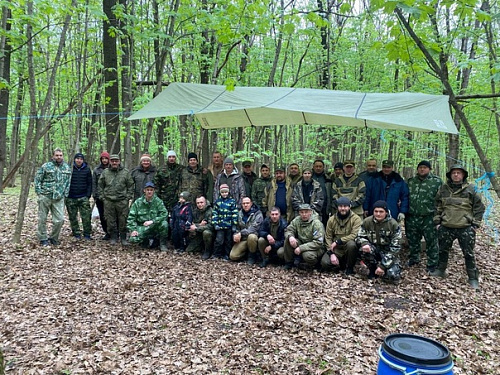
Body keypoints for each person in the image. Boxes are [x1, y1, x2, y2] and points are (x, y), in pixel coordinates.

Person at [430, 164, 485, 289]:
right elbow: (437, 205)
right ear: (450, 175)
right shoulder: (443, 189)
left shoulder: (471, 189)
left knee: (468, 253)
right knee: (443, 250)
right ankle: (441, 270)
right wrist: (437, 222)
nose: (456, 175)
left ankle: (473, 277)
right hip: (446, 226)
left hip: (465, 227)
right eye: (453, 172)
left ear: (463, 175)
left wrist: (475, 224)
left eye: (458, 173)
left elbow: (479, 207)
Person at [406, 161, 443, 272]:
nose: (422, 169)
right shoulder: (411, 181)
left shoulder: (436, 182)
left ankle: (432, 263)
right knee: (412, 239)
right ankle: (414, 258)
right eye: (420, 167)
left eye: (425, 167)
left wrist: (439, 216)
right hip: (412, 216)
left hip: (429, 216)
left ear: (429, 169)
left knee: (431, 240)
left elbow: (442, 200)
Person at [357, 200, 402, 283]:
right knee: (364, 250)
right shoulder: (367, 221)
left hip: (388, 252)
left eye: (381, 212)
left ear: (386, 212)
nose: (378, 214)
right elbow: (360, 236)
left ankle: (381, 270)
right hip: (374, 250)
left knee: (392, 276)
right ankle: (372, 269)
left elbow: (395, 248)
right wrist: (364, 243)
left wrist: (383, 266)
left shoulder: (393, 224)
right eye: (376, 211)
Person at [34, 147, 72, 246]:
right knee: (42, 218)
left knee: (60, 220)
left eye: (60, 155)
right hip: (45, 195)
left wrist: (65, 194)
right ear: (53, 156)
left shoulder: (66, 168)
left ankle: (54, 237)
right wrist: (39, 193)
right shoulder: (46, 166)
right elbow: (37, 179)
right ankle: (43, 238)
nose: (59, 157)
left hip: (59, 197)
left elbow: (68, 182)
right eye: (57, 155)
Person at [98, 154, 134, 246]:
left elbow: (130, 185)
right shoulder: (105, 172)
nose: (114, 162)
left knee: (123, 220)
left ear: (119, 161)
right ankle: (113, 237)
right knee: (110, 220)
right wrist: (102, 197)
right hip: (109, 200)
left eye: (116, 161)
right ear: (110, 161)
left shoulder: (125, 172)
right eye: (112, 161)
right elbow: (100, 185)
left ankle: (123, 238)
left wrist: (128, 197)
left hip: (122, 201)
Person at [320, 197, 362, 274]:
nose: (343, 208)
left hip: (348, 249)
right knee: (325, 263)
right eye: (340, 206)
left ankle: (350, 268)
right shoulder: (331, 219)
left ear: (349, 207)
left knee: (351, 244)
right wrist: (331, 253)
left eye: (345, 206)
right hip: (336, 249)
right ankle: (340, 265)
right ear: (337, 207)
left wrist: (338, 241)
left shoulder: (356, 219)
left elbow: (354, 235)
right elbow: (328, 237)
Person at [127, 181, 169, 251]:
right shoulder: (138, 202)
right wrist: (133, 229)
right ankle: (145, 241)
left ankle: (162, 244)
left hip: (155, 225)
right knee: (133, 239)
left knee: (164, 224)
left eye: (151, 190)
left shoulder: (158, 201)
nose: (149, 192)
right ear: (144, 190)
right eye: (148, 190)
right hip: (143, 227)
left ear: (154, 191)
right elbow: (131, 218)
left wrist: (153, 221)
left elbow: (164, 214)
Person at [283, 203, 325, 270]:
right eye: (302, 212)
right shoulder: (297, 220)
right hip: (302, 242)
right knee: (288, 240)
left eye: (306, 212)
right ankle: (289, 263)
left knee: (307, 255)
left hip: (315, 247)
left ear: (310, 212)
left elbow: (318, 242)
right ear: (299, 213)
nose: (304, 214)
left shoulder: (316, 223)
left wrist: (301, 248)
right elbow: (288, 229)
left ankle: (315, 265)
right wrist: (291, 236)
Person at [65, 152, 93, 240]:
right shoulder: (69, 169)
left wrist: (88, 195)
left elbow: (90, 183)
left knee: (86, 217)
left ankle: (87, 233)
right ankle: (76, 233)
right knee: (72, 217)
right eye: (77, 158)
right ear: (74, 159)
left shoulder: (87, 169)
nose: (79, 160)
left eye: (81, 159)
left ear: (83, 160)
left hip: (83, 196)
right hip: (71, 196)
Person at [230, 197, 263, 264]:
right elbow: (236, 226)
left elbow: (254, 228)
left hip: (254, 238)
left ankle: (252, 255)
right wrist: (235, 234)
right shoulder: (239, 213)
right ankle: (245, 254)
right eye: (244, 203)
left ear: (251, 203)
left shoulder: (258, 214)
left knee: (252, 237)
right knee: (233, 256)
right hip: (243, 239)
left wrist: (241, 233)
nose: (245, 205)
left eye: (247, 203)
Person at [212, 184, 239, 260]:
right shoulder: (218, 202)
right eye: (223, 192)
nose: (224, 194)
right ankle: (216, 254)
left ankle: (226, 255)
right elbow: (215, 213)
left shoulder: (232, 202)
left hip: (229, 225)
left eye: (226, 192)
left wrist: (234, 224)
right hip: (220, 225)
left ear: (228, 192)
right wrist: (215, 223)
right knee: (219, 240)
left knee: (228, 241)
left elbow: (235, 213)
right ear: (220, 193)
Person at [92, 151, 110, 239]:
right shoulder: (96, 170)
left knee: (111, 215)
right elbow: (94, 183)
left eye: (106, 158)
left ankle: (114, 232)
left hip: (110, 196)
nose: (104, 160)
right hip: (100, 197)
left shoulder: (112, 168)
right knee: (102, 216)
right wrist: (95, 194)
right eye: (103, 159)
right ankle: (106, 232)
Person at [312, 159, 332, 227]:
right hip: (312, 208)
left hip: (325, 208)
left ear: (323, 167)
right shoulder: (309, 178)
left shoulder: (328, 179)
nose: (318, 168)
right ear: (313, 167)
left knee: (325, 226)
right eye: (316, 166)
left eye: (320, 166)